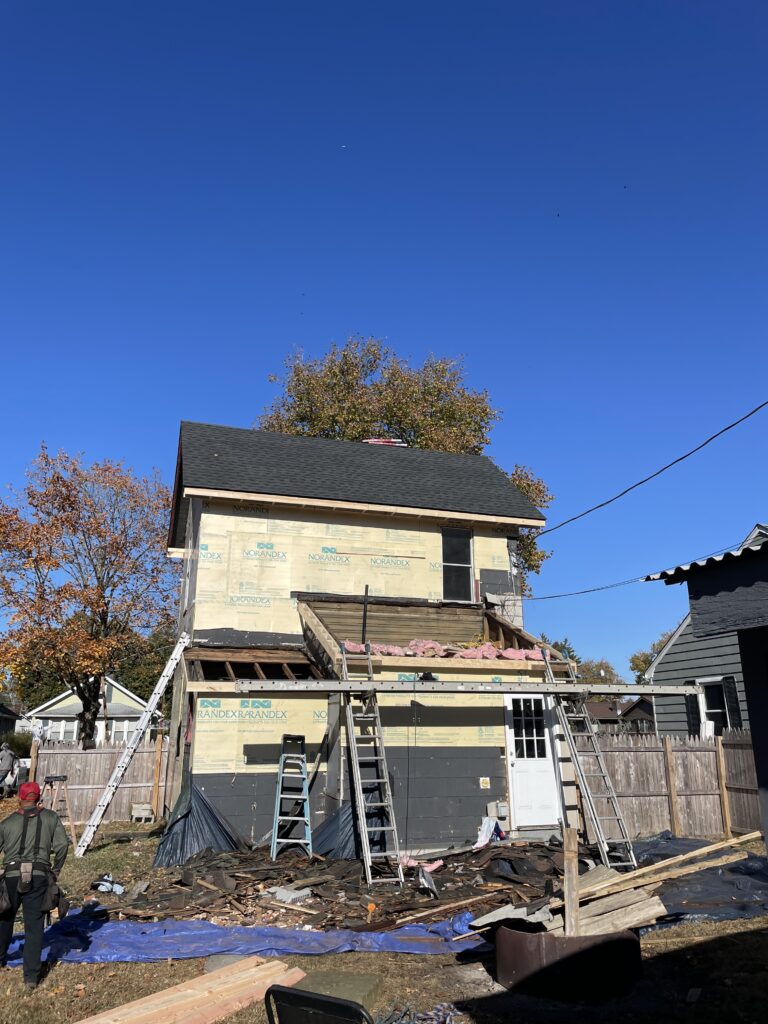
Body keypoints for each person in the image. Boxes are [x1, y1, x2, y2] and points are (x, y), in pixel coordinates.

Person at [0, 781, 69, 989]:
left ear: (20, 799)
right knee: (34, 926)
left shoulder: (7, 822)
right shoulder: (50, 818)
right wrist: (54, 872)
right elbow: (63, 845)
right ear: (38, 798)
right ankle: (31, 978)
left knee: (4, 918)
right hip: (38, 876)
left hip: (11, 875)